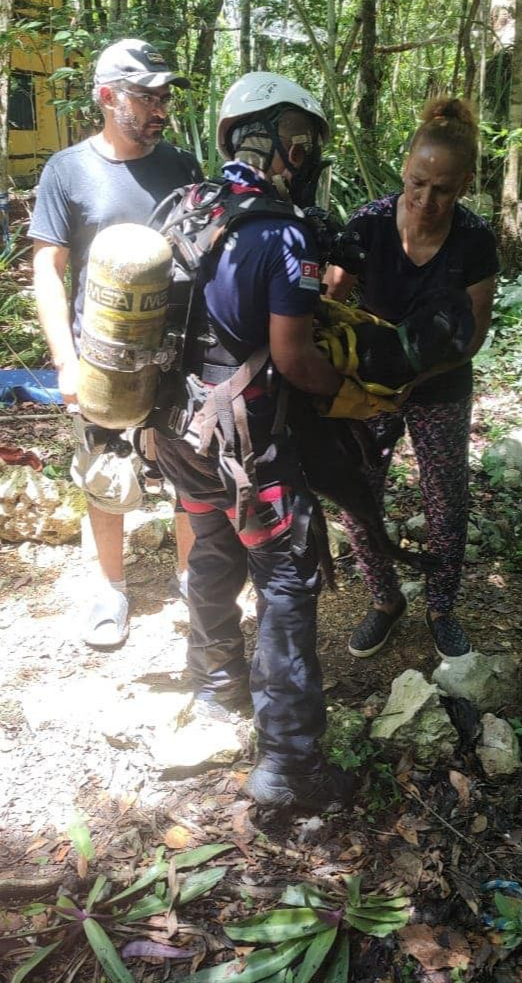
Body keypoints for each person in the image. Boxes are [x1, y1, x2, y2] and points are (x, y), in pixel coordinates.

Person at [153, 71, 357, 813]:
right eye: (302, 143)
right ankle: (289, 765)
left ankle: (214, 692)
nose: (305, 158)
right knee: (284, 579)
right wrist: (350, 398)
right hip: (251, 444)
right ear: (280, 140)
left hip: (179, 434)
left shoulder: (184, 206)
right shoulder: (282, 231)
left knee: (210, 552)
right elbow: (294, 356)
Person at [30, 39, 202, 647]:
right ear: (107, 97)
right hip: (103, 356)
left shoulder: (182, 167)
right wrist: (65, 363)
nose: (160, 110)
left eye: (164, 99)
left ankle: (191, 576)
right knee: (104, 468)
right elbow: (47, 271)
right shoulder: (68, 171)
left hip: (176, 352)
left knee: (188, 469)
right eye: (146, 98)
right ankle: (109, 588)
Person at [324, 97, 499, 661]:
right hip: (369, 388)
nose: (426, 200)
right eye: (417, 183)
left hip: (441, 383)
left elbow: (471, 335)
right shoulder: (370, 225)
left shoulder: (474, 240)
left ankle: (442, 608)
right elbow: (329, 302)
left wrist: (416, 379)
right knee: (357, 494)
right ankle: (384, 600)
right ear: (404, 167)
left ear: (465, 183)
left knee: (446, 498)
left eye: (443, 189)